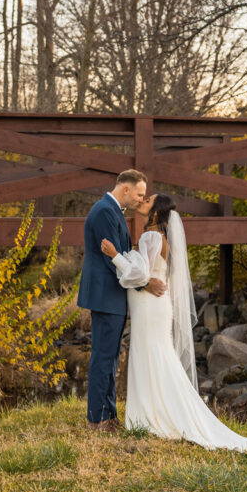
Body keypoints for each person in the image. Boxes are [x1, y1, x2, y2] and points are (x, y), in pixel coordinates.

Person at [101, 193, 247, 455]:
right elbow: (145, 270)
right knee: (155, 356)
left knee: (151, 356)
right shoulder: (157, 236)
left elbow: (140, 274)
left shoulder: (151, 236)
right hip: (152, 307)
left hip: (150, 307)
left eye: (149, 198)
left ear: (156, 211)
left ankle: (149, 418)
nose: (144, 198)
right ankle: (149, 415)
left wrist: (115, 255)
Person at [78, 170, 166, 432]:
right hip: (105, 295)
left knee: (111, 356)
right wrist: (146, 282)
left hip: (111, 296)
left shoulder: (112, 210)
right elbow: (113, 260)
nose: (140, 200)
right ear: (125, 189)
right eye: (139, 194)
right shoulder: (105, 211)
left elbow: (123, 255)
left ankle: (109, 414)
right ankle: (97, 419)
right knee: (103, 358)